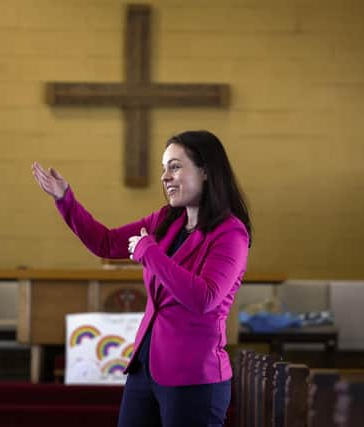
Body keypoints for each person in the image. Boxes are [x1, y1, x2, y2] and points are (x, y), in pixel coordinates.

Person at [32, 130, 252, 427]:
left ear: (205, 172)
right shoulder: (165, 220)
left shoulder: (230, 233)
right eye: (164, 168)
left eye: (175, 166)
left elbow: (204, 298)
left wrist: (149, 252)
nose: (165, 177)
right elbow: (106, 243)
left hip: (194, 377)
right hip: (145, 368)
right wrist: (65, 199)